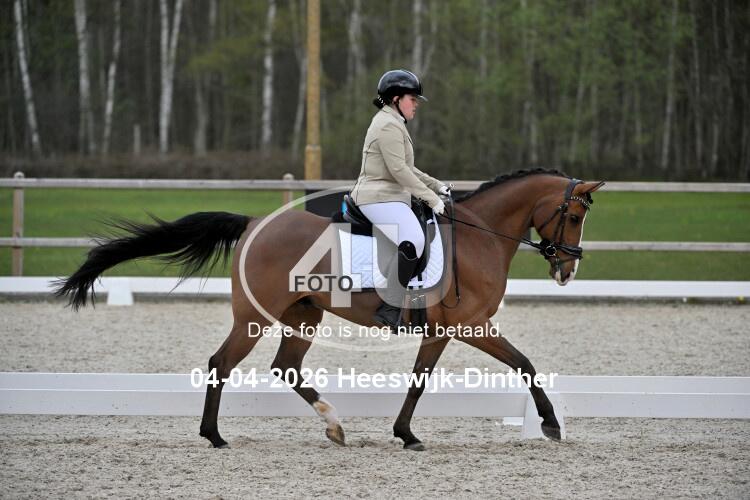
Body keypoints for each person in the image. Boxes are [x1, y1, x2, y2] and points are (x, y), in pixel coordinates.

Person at [350, 69, 451, 330]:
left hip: (391, 195)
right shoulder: (387, 125)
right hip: (377, 196)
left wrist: (436, 186)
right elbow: (399, 171)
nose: (416, 104)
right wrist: (431, 198)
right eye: (412, 99)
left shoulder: (394, 122)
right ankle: (390, 307)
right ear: (396, 99)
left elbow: (408, 168)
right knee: (414, 239)